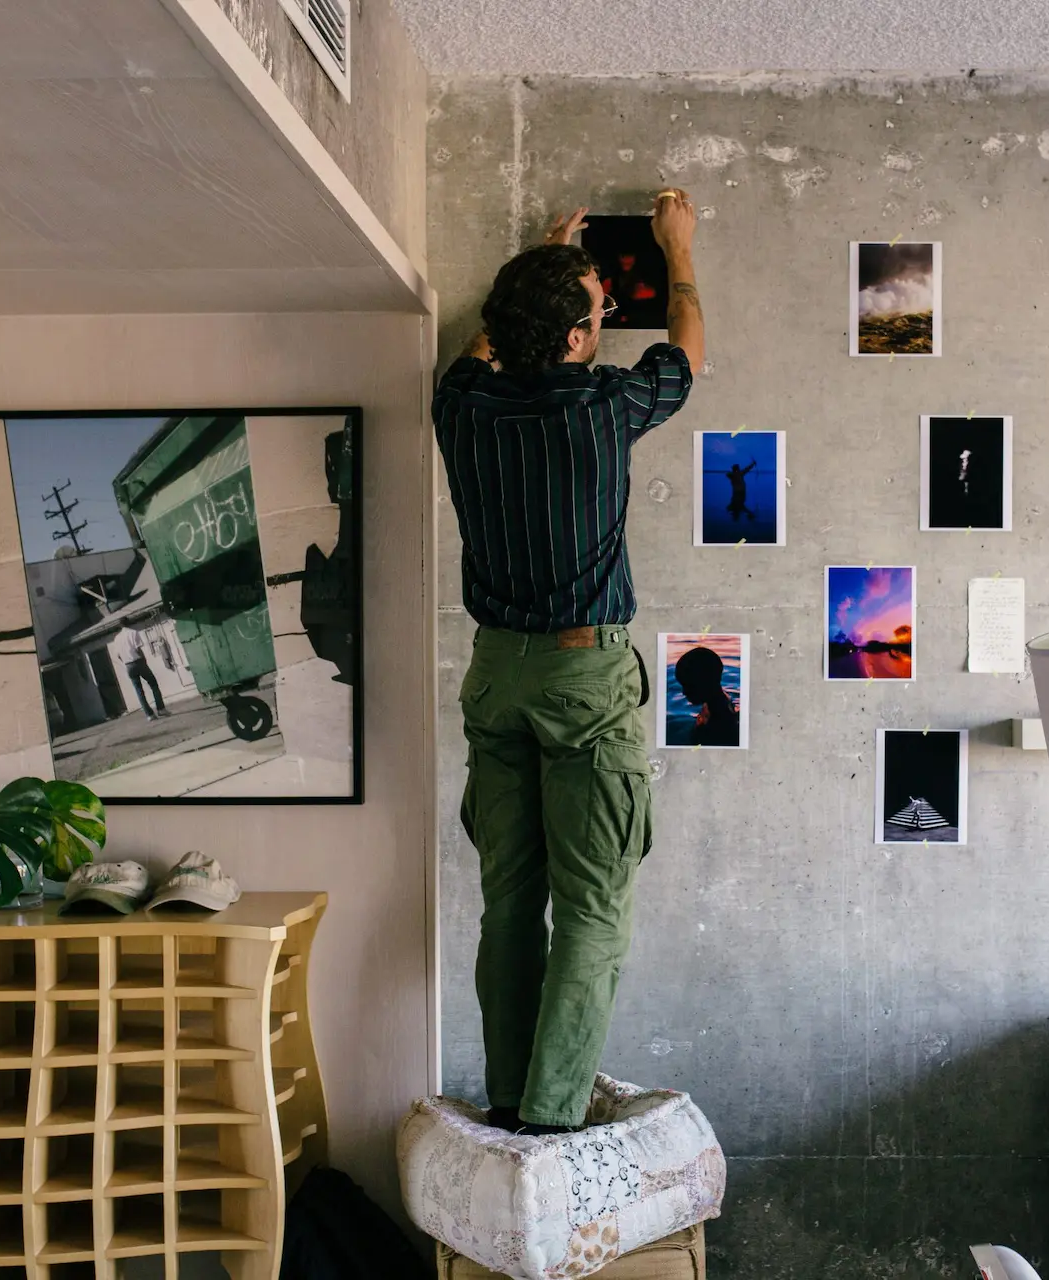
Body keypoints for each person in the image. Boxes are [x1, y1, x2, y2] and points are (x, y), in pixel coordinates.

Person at [435, 188, 704, 1137]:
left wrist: (542, 267)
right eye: (597, 316)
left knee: (510, 902)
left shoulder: (460, 402)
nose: (605, 322)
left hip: (494, 676)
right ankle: (550, 1121)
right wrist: (677, 251)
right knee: (594, 908)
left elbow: (484, 342)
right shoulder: (603, 404)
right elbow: (688, 349)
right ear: (585, 341)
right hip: (582, 678)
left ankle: (510, 1100)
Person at [671, 645, 738, 747]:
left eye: (688, 686)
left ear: (705, 683)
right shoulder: (720, 699)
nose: (684, 692)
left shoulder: (718, 724)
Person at [121, 626, 168, 721]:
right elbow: (138, 649)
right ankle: (161, 709)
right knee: (153, 684)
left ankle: (149, 715)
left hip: (128, 665)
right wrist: (144, 661)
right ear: (129, 623)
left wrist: (127, 662)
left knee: (139, 690)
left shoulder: (117, 638)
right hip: (138, 662)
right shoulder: (133, 632)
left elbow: (118, 655)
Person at [722, 458, 756, 525]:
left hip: (739, 493)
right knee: (740, 505)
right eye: (737, 468)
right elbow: (728, 474)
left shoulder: (738, 474)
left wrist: (753, 464)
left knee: (739, 504)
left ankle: (749, 518)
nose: (738, 469)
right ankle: (750, 518)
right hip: (739, 493)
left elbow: (747, 469)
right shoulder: (735, 474)